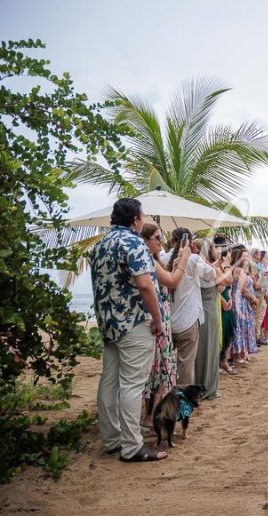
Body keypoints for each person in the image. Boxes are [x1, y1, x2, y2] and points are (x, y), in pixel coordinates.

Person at [90, 198, 167, 462]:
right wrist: (158, 320)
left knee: (109, 381)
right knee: (132, 384)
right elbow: (145, 285)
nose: (143, 220)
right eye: (143, 216)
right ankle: (132, 446)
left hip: (108, 323)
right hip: (134, 321)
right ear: (135, 219)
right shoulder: (133, 242)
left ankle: (112, 439)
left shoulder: (100, 244)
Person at [139, 223, 190, 425]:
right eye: (157, 238)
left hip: (163, 320)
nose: (161, 242)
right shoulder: (149, 261)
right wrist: (184, 259)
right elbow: (172, 281)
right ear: (145, 240)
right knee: (156, 370)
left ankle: (151, 414)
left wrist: (176, 264)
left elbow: (167, 279)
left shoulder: (154, 260)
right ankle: (149, 416)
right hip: (158, 321)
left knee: (160, 369)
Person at [163, 228, 217, 385]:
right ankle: (182, 396)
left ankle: (167, 392)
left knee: (165, 363)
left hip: (167, 319)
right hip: (189, 319)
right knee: (186, 365)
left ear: (172, 240)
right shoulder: (193, 259)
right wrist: (197, 254)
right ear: (190, 242)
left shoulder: (163, 259)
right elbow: (211, 274)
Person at [195, 238, 230, 400]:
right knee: (209, 348)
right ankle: (208, 387)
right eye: (214, 248)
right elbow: (227, 280)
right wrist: (225, 264)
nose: (217, 250)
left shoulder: (197, 265)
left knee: (200, 349)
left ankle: (198, 383)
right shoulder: (210, 268)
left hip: (198, 310)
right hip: (209, 310)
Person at [231, 245, 258, 361]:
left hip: (245, 301)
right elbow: (242, 289)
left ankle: (243, 352)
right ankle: (237, 354)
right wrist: (254, 299)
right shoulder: (238, 270)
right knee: (240, 326)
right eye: (243, 256)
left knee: (245, 326)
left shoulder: (245, 270)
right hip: (240, 301)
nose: (246, 258)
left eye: (247, 256)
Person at [219, 251, 236, 375]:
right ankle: (218, 361)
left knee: (229, 332)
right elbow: (216, 289)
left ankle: (225, 360)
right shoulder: (217, 269)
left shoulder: (226, 269)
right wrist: (223, 301)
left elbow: (230, 286)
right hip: (219, 302)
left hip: (228, 302)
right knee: (221, 333)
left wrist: (230, 299)